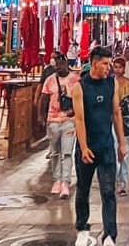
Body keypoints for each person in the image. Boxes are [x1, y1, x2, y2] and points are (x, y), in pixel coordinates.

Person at [72, 46, 126, 246]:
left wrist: (121, 143)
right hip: (87, 147)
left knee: (108, 191)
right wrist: (84, 146)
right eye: (105, 63)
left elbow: (116, 113)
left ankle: (110, 235)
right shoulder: (80, 87)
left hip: (106, 146)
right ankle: (82, 228)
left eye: (109, 63)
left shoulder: (112, 84)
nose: (108, 67)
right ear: (94, 63)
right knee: (83, 189)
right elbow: (79, 118)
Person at [39, 52, 80, 198]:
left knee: (67, 153)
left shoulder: (76, 79)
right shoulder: (50, 80)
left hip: (69, 121)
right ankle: (57, 180)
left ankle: (65, 182)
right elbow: (43, 99)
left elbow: (81, 99)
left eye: (60, 63)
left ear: (66, 63)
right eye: (56, 64)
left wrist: (75, 111)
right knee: (55, 152)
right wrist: (41, 115)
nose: (58, 66)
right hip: (53, 121)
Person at [113, 56, 129, 195]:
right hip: (112, 122)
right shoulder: (110, 83)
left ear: (124, 68)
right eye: (115, 67)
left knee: (125, 152)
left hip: (127, 122)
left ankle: (123, 182)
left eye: (120, 67)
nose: (117, 69)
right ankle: (116, 179)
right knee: (114, 149)